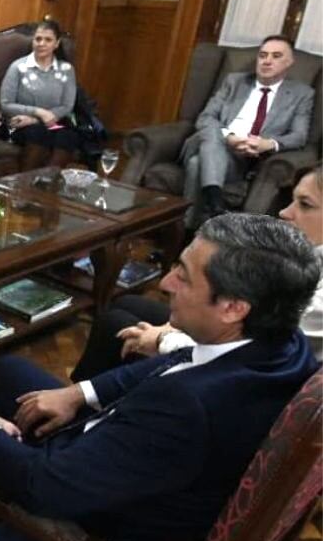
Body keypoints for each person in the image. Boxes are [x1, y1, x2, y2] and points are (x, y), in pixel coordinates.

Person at [0, 213, 319, 541]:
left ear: (233, 307)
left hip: (90, 530)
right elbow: (178, 362)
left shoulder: (186, 410)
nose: (165, 283)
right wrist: (78, 394)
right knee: (9, 373)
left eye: (183, 277)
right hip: (127, 468)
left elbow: (45, 488)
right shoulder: (282, 345)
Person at [73, 163, 323, 381]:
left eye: (305, 204)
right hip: (238, 330)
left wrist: (165, 339)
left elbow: (254, 348)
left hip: (245, 373)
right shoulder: (312, 254)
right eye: (293, 199)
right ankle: (84, 401)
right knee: (127, 303)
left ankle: (86, 412)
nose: (285, 213)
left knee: (115, 324)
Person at [182, 34, 314, 229]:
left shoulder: (301, 94)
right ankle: (215, 204)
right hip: (208, 143)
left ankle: (188, 228)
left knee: (197, 164)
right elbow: (205, 118)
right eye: (263, 55)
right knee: (213, 133)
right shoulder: (234, 82)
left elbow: (299, 136)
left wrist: (267, 143)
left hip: (243, 160)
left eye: (276, 56)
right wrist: (229, 137)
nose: (267, 61)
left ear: (289, 62)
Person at [0, 19, 81, 170]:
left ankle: (45, 184)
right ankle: (24, 184)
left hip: (52, 124)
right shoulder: (18, 67)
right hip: (18, 124)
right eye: (38, 39)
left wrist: (36, 119)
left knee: (67, 136)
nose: (41, 43)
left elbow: (67, 105)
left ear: (56, 43)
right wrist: (38, 112)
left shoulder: (66, 69)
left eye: (48, 40)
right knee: (39, 134)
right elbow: (5, 104)